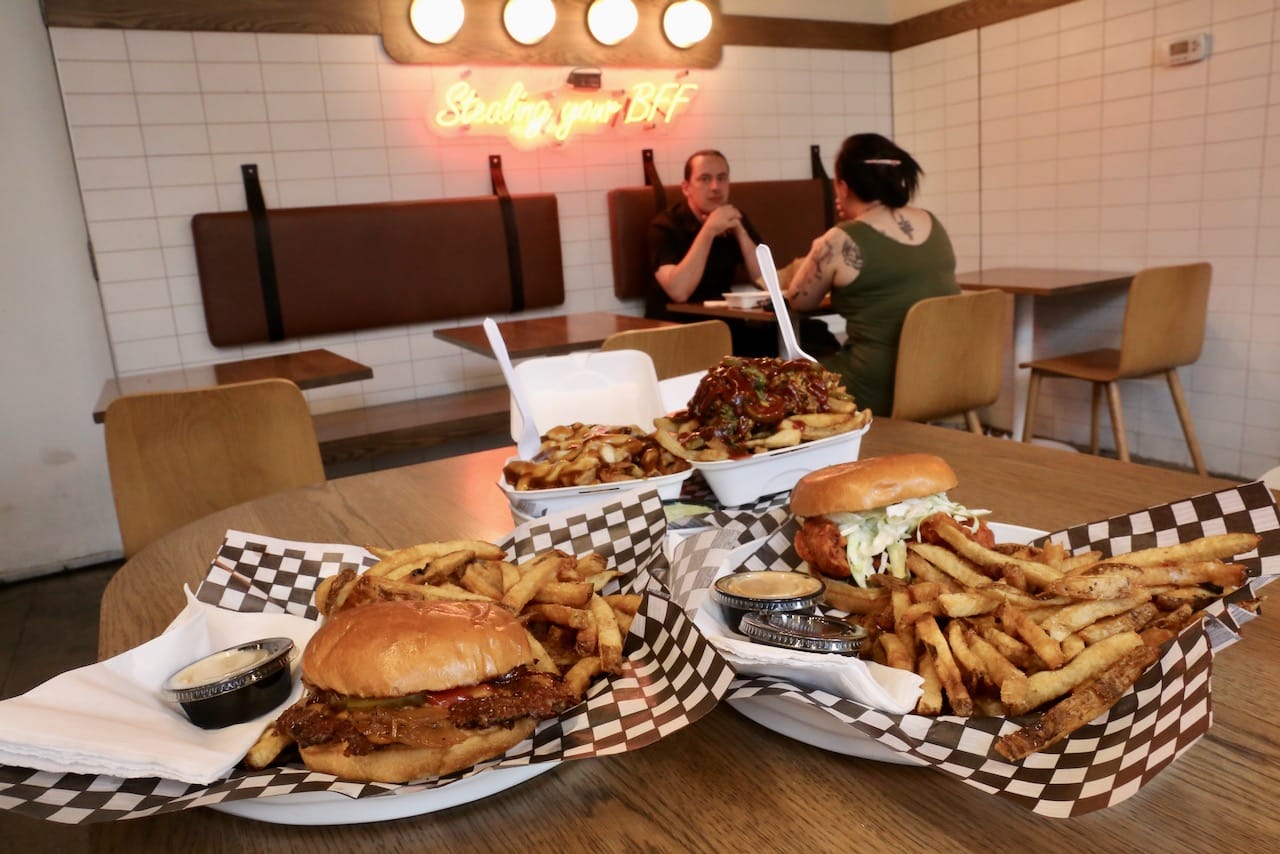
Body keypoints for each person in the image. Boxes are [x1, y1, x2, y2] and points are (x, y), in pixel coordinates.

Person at [784, 133, 959, 416]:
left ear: (843, 186)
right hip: (944, 374)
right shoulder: (932, 221)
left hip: (877, 385)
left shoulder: (840, 238)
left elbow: (798, 300)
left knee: (787, 380)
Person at [646, 149, 775, 356]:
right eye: (705, 179)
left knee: (805, 338)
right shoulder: (664, 226)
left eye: (722, 179)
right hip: (676, 327)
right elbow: (679, 291)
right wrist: (709, 230)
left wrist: (739, 231)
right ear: (686, 188)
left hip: (723, 324)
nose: (715, 187)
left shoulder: (735, 218)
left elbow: (767, 281)